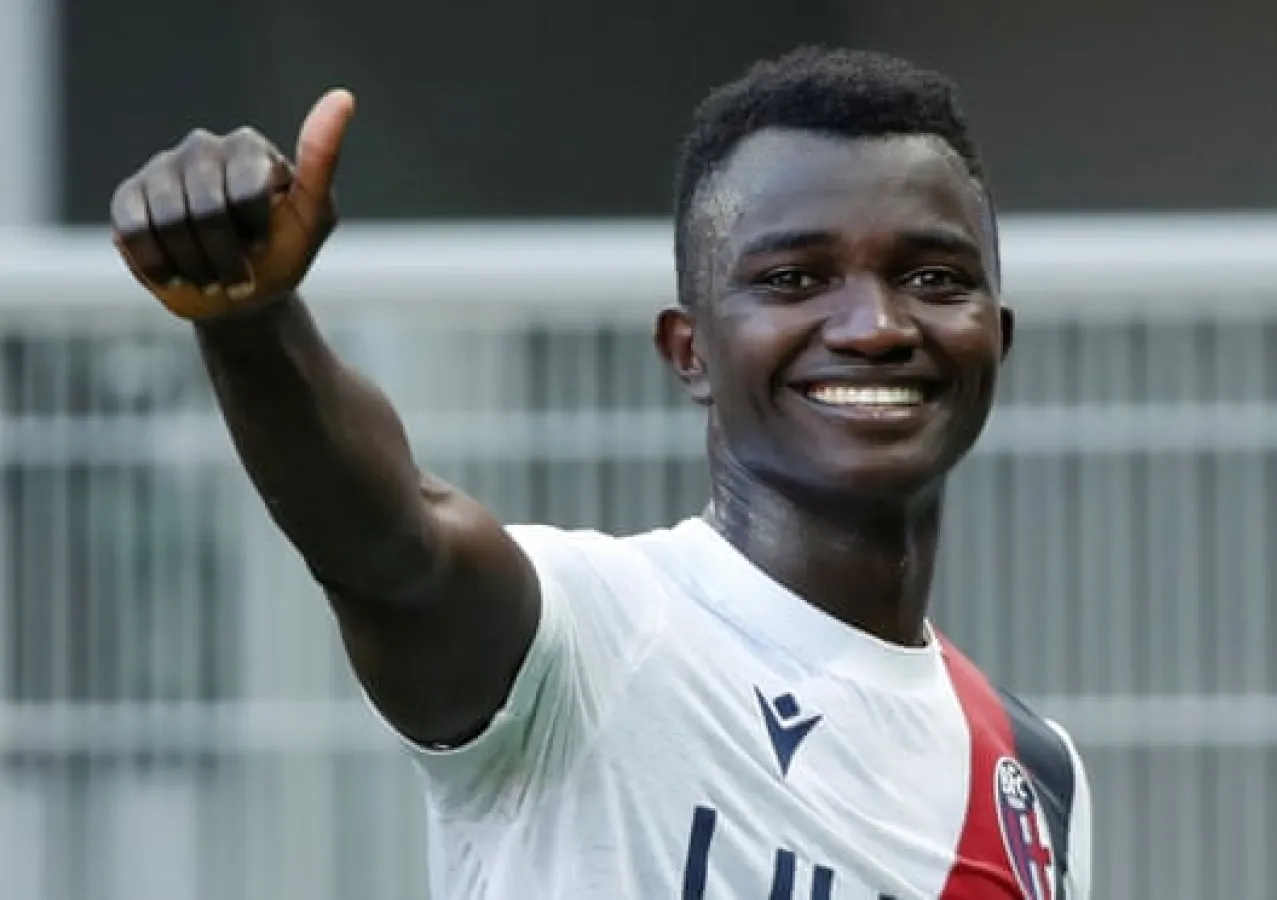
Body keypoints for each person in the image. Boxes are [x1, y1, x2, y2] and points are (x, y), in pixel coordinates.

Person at [109, 46, 1092, 900]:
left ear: (994, 338)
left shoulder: (1035, 778)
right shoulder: (592, 635)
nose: (875, 327)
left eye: (934, 278)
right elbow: (389, 543)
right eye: (795, 279)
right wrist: (249, 322)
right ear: (690, 351)